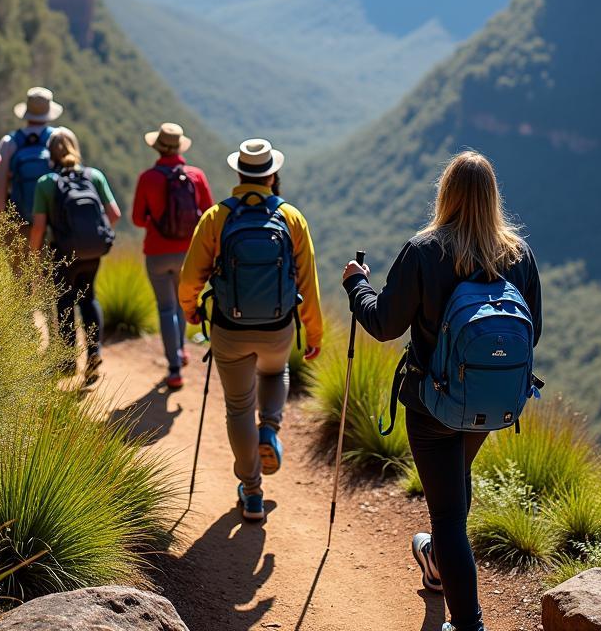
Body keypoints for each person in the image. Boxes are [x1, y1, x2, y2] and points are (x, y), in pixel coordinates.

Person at [341, 150, 542, 631]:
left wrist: (357, 287)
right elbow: (531, 334)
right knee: (454, 488)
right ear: (493, 197)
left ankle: (468, 624)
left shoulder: (424, 251)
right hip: (489, 402)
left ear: (445, 193)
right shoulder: (517, 255)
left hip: (432, 405)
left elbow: (385, 324)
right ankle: (436, 564)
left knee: (449, 514)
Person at [180, 138, 323, 522]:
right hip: (278, 328)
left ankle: (253, 491)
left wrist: (192, 311)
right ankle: (270, 428)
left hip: (230, 328)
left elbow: (189, 279)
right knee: (276, 371)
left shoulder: (217, 217)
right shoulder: (291, 218)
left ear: (239, 173)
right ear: (272, 174)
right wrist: (314, 334)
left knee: (238, 407)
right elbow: (307, 283)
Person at [30, 127, 121, 386]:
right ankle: (94, 354)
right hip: (93, 252)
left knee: (65, 303)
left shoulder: (47, 183)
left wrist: (36, 259)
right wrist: (97, 236)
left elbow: (38, 227)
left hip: (63, 254)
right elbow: (114, 214)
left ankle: (69, 360)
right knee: (89, 298)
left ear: (51, 153)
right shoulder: (94, 176)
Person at [131, 122, 214, 390]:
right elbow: (209, 214)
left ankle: (174, 368)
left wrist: (158, 222)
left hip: (156, 252)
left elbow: (137, 218)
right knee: (183, 304)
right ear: (179, 146)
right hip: (189, 253)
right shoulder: (196, 176)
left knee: (166, 308)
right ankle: (181, 350)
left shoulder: (148, 178)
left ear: (157, 147)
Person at [0, 87, 64, 235]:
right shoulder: (59, 138)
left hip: (19, 222)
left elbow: (0, 190)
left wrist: (0, 225)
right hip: (53, 225)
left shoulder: (9, 142)